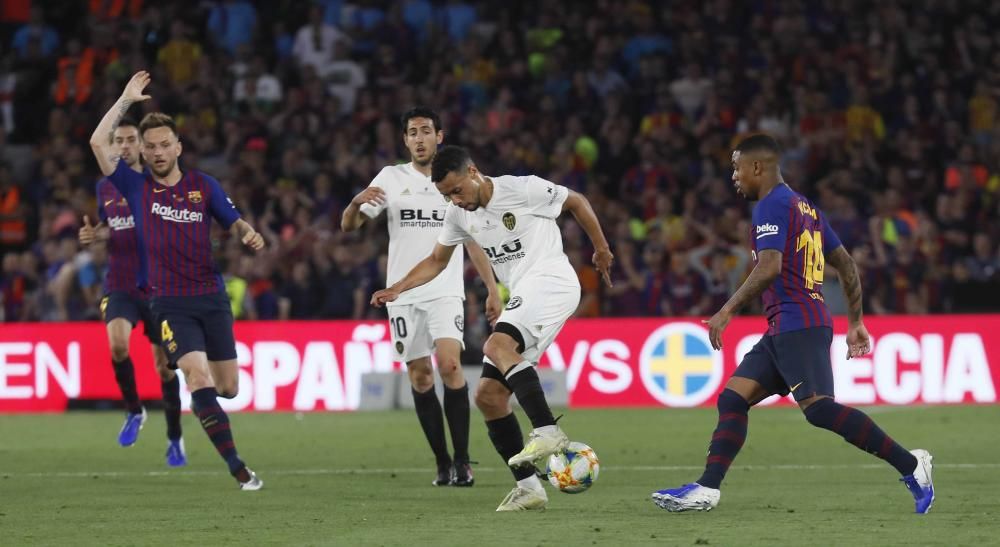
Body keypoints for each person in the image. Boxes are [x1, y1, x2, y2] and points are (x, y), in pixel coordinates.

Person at [651, 134, 934, 514]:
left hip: (797, 323)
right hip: (787, 325)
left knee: (819, 410)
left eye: (736, 167)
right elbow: (847, 264)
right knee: (733, 398)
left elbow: (768, 267)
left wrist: (727, 309)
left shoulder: (771, 205)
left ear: (757, 167)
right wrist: (855, 322)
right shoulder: (806, 207)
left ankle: (912, 465)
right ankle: (707, 488)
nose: (734, 176)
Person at [371, 145, 614, 511]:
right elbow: (437, 260)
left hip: (552, 281)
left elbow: (576, 201)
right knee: (487, 396)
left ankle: (548, 430)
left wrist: (601, 248)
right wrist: (398, 287)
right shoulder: (458, 214)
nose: (454, 199)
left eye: (457, 190)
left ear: (473, 172)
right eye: (445, 195)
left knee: (495, 346)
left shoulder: (521, 189)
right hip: (525, 293)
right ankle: (530, 487)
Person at [88, 71, 265, 490]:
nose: (156, 151)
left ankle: (205, 414)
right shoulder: (134, 187)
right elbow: (98, 142)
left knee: (228, 387)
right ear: (143, 154)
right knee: (195, 376)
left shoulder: (203, 186)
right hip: (169, 303)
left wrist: (248, 232)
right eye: (149, 147)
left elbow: (234, 220)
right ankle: (238, 467)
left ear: (178, 147)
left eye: (164, 144)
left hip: (212, 298)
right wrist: (127, 101)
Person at [342, 108, 500, 487]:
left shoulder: (455, 180)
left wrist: (493, 289)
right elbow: (351, 227)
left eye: (426, 131)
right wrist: (353, 203)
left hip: (444, 289)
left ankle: (463, 461)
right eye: (412, 132)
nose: (419, 138)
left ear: (439, 136)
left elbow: (473, 238)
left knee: (449, 366)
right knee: (421, 377)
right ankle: (442, 462)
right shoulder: (391, 179)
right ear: (405, 140)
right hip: (401, 293)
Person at [78, 117, 185, 466]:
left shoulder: (155, 184)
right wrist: (95, 236)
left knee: (165, 369)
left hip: (155, 286)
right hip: (120, 283)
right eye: (117, 141)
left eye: (128, 140)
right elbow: (111, 228)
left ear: (142, 146)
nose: (123, 146)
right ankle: (134, 410)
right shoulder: (105, 187)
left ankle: (174, 438)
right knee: (118, 344)